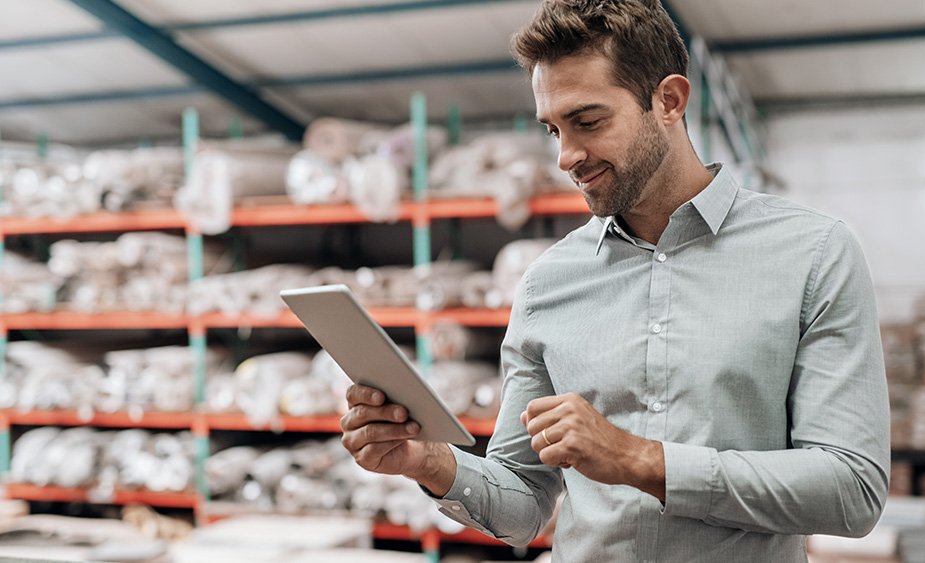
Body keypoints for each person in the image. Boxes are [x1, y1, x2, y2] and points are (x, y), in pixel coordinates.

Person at [340, 1, 890, 560]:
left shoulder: (812, 254)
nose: (565, 157)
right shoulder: (548, 283)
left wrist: (638, 460)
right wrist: (429, 461)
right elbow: (524, 503)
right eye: (553, 129)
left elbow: (853, 490)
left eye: (587, 121)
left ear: (669, 100)